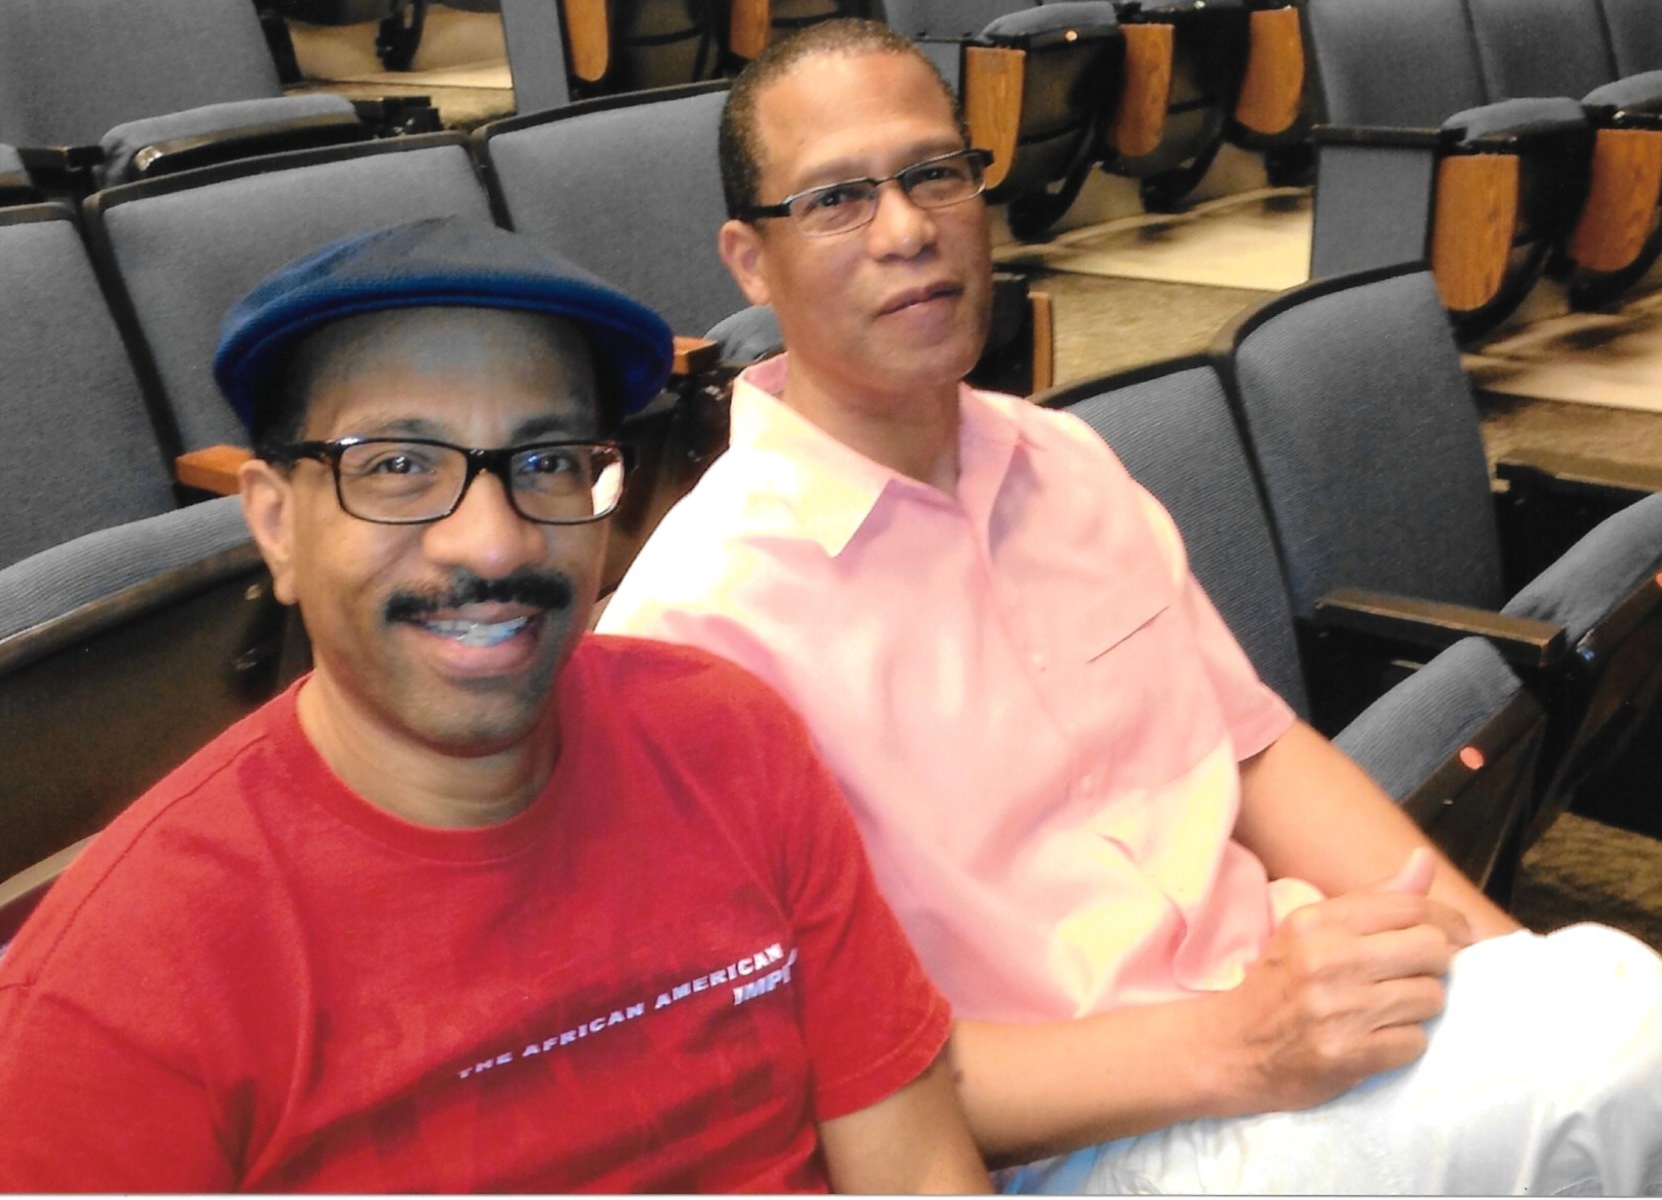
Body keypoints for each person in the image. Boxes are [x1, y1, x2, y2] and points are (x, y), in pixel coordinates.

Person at [598, 19, 1662, 1195]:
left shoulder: (1069, 462)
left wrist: (1511, 968)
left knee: (1607, 1005)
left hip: (1289, 1011)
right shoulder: (694, 633)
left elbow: (1259, 757)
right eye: (839, 198)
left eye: (936, 173)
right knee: (1622, 1058)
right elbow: (812, 1076)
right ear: (751, 261)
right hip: (1085, 1139)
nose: (909, 230)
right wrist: (1241, 1049)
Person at [0, 216, 991, 1194]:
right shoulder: (125, 988)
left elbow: (917, 1169)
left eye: (545, 463)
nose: (491, 542)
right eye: (396, 465)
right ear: (276, 527)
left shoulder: (732, 741)